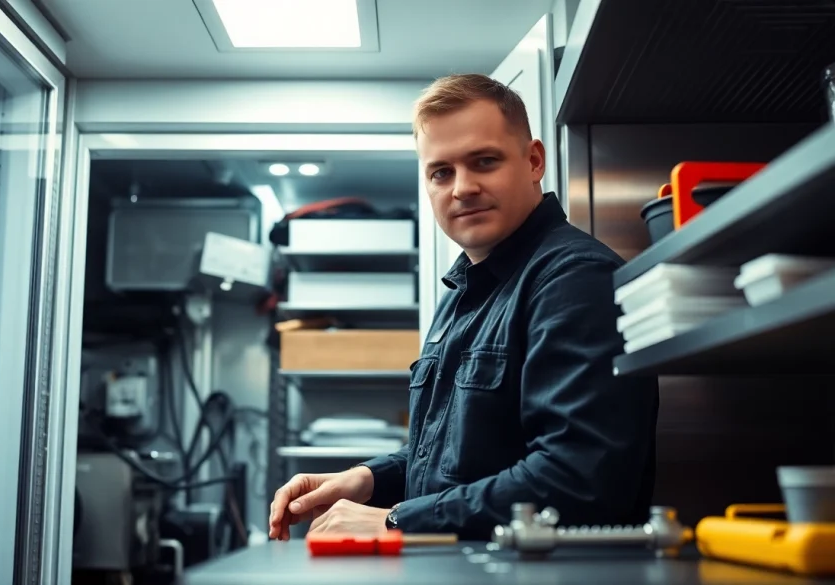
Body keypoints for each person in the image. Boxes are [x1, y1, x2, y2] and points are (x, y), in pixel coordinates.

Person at [268, 74, 660, 541]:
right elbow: (456, 453)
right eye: (441, 172)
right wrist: (365, 479)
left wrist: (397, 519)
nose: (462, 188)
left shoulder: (574, 279)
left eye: (485, 161)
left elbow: (579, 476)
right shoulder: (461, 293)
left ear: (533, 161)